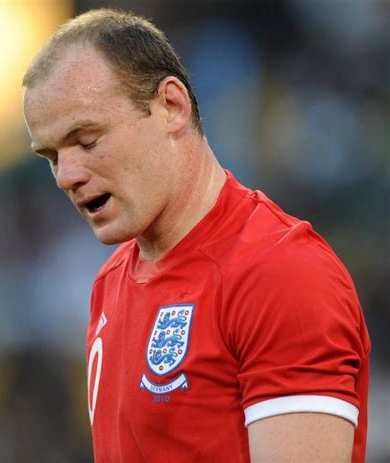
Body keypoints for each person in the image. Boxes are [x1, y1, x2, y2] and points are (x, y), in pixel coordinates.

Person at [22, 9, 370, 463]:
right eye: (51, 157)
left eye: (87, 141)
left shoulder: (280, 274)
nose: (66, 176)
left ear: (171, 106)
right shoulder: (109, 285)